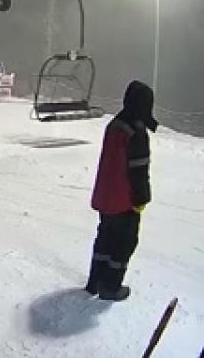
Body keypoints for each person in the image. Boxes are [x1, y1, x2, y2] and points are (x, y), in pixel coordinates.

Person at [86, 80, 155, 301]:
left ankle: (95, 281)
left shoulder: (115, 124)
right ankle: (111, 286)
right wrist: (141, 198)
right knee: (124, 243)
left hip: (105, 196)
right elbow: (138, 169)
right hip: (124, 200)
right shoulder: (136, 131)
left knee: (105, 238)